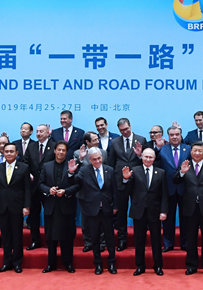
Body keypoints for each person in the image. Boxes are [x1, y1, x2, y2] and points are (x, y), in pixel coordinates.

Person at [173, 142, 203, 275]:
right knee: (190, 238)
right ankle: (191, 265)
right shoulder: (185, 165)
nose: (197, 153)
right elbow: (175, 180)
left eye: (200, 151)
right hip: (190, 207)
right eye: (194, 150)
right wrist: (182, 173)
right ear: (191, 151)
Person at [0, 143, 31, 273]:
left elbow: (27, 189)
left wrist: (26, 206)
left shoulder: (24, 168)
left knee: (17, 236)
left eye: (11, 151)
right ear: (3, 153)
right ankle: (6, 263)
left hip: (17, 207)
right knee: (5, 237)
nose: (9, 153)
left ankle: (17, 263)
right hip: (1, 207)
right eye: (7, 151)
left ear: (16, 153)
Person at [69, 147, 118, 274]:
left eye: (99, 158)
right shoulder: (84, 170)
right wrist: (71, 172)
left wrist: (115, 206)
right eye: (94, 159)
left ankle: (112, 263)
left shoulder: (109, 170)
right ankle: (98, 264)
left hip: (107, 209)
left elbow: (114, 190)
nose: (97, 161)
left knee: (110, 238)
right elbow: (75, 182)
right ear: (90, 160)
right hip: (92, 209)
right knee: (95, 238)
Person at [120, 148, 168, 276]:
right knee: (139, 240)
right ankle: (140, 266)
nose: (148, 159)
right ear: (141, 156)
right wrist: (125, 179)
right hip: (139, 211)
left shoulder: (161, 172)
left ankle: (158, 266)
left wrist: (164, 211)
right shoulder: (134, 171)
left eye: (150, 157)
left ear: (154, 158)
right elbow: (126, 190)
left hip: (155, 211)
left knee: (156, 240)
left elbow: (164, 194)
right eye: (146, 156)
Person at [38, 141, 78, 273]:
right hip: (51, 207)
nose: (61, 152)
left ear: (66, 152)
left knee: (68, 238)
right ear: (54, 151)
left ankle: (68, 263)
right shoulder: (46, 166)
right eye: (59, 150)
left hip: (67, 206)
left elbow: (77, 185)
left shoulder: (72, 165)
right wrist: (48, 190)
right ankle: (51, 264)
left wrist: (65, 191)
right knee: (50, 238)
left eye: (63, 150)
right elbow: (40, 184)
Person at [107, 118, 147, 251]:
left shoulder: (141, 140)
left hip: (138, 181)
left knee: (138, 211)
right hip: (120, 182)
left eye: (126, 129)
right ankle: (122, 239)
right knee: (121, 212)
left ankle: (139, 239)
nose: (124, 132)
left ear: (130, 126)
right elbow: (111, 163)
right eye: (122, 130)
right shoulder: (114, 142)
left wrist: (140, 156)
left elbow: (147, 161)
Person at [24, 123, 55, 251]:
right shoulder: (31, 146)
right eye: (37, 131)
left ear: (48, 133)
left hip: (48, 186)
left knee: (49, 215)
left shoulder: (54, 146)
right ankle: (35, 240)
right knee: (33, 216)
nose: (38, 133)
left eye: (41, 131)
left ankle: (50, 241)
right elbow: (25, 163)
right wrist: (28, 173)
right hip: (33, 187)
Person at [160, 125, 190, 252]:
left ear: (181, 135)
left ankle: (185, 243)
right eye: (172, 135)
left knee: (185, 218)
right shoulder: (162, 149)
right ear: (168, 136)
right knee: (168, 219)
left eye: (177, 134)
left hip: (185, 188)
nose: (174, 137)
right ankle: (168, 244)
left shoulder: (188, 148)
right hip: (167, 188)